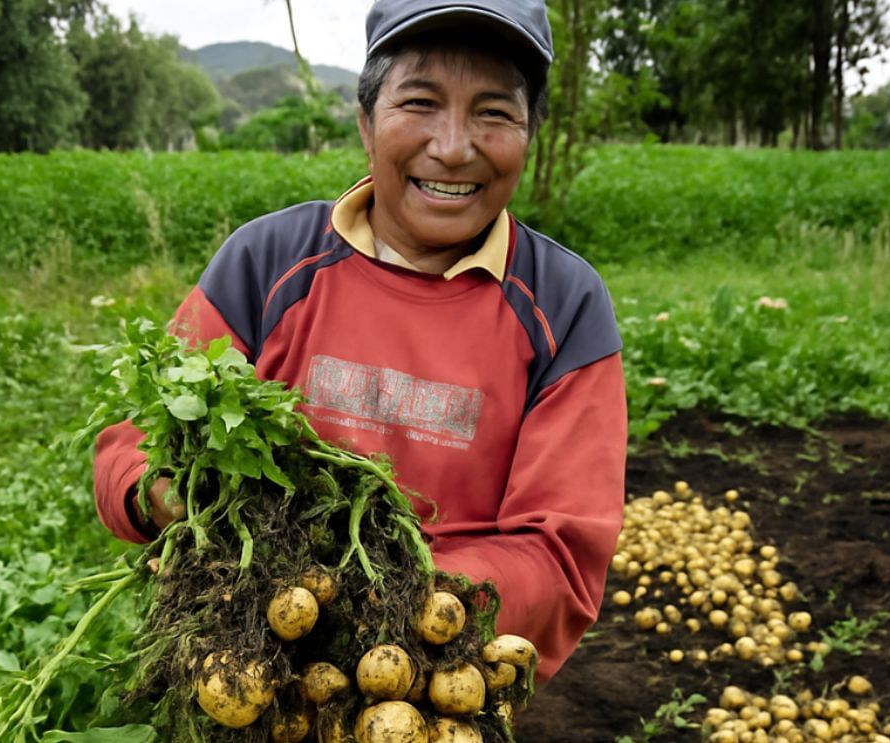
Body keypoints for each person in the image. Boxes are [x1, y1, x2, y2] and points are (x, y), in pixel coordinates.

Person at [94, 0, 626, 689]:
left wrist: (383, 597)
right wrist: (166, 494)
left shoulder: (564, 305)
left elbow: (558, 559)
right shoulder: (266, 263)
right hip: (253, 671)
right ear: (365, 121)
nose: (454, 145)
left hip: (434, 690)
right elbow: (130, 449)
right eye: (421, 101)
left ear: (531, 133)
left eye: (495, 112)